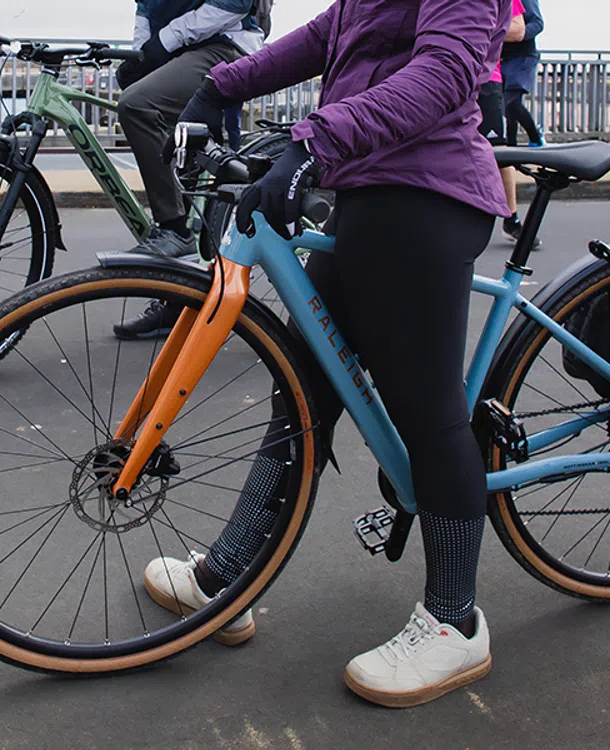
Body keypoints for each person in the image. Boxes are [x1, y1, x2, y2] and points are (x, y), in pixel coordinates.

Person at [144, 0, 512, 708]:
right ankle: (229, 575)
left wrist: (315, 139)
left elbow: (444, 71)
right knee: (304, 388)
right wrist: (218, 87)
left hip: (424, 191)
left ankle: (455, 620)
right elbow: (323, 37)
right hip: (366, 185)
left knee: (425, 409)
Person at [113, 1, 264, 340]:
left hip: (225, 44)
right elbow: (146, 10)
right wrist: (141, 55)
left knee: (138, 105)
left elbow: (234, 4)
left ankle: (173, 229)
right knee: (179, 153)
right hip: (184, 50)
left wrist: (163, 42)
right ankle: (176, 303)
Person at [480, 0, 541, 248]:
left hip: (486, 78)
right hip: (444, 74)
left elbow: (518, 29)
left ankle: (511, 218)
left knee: (499, 152)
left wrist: (471, 28)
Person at [501, 0, 545, 149]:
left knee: (511, 103)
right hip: (502, 59)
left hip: (523, 57)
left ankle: (530, 139)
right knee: (506, 106)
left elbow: (538, 24)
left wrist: (518, 34)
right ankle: (511, 147)